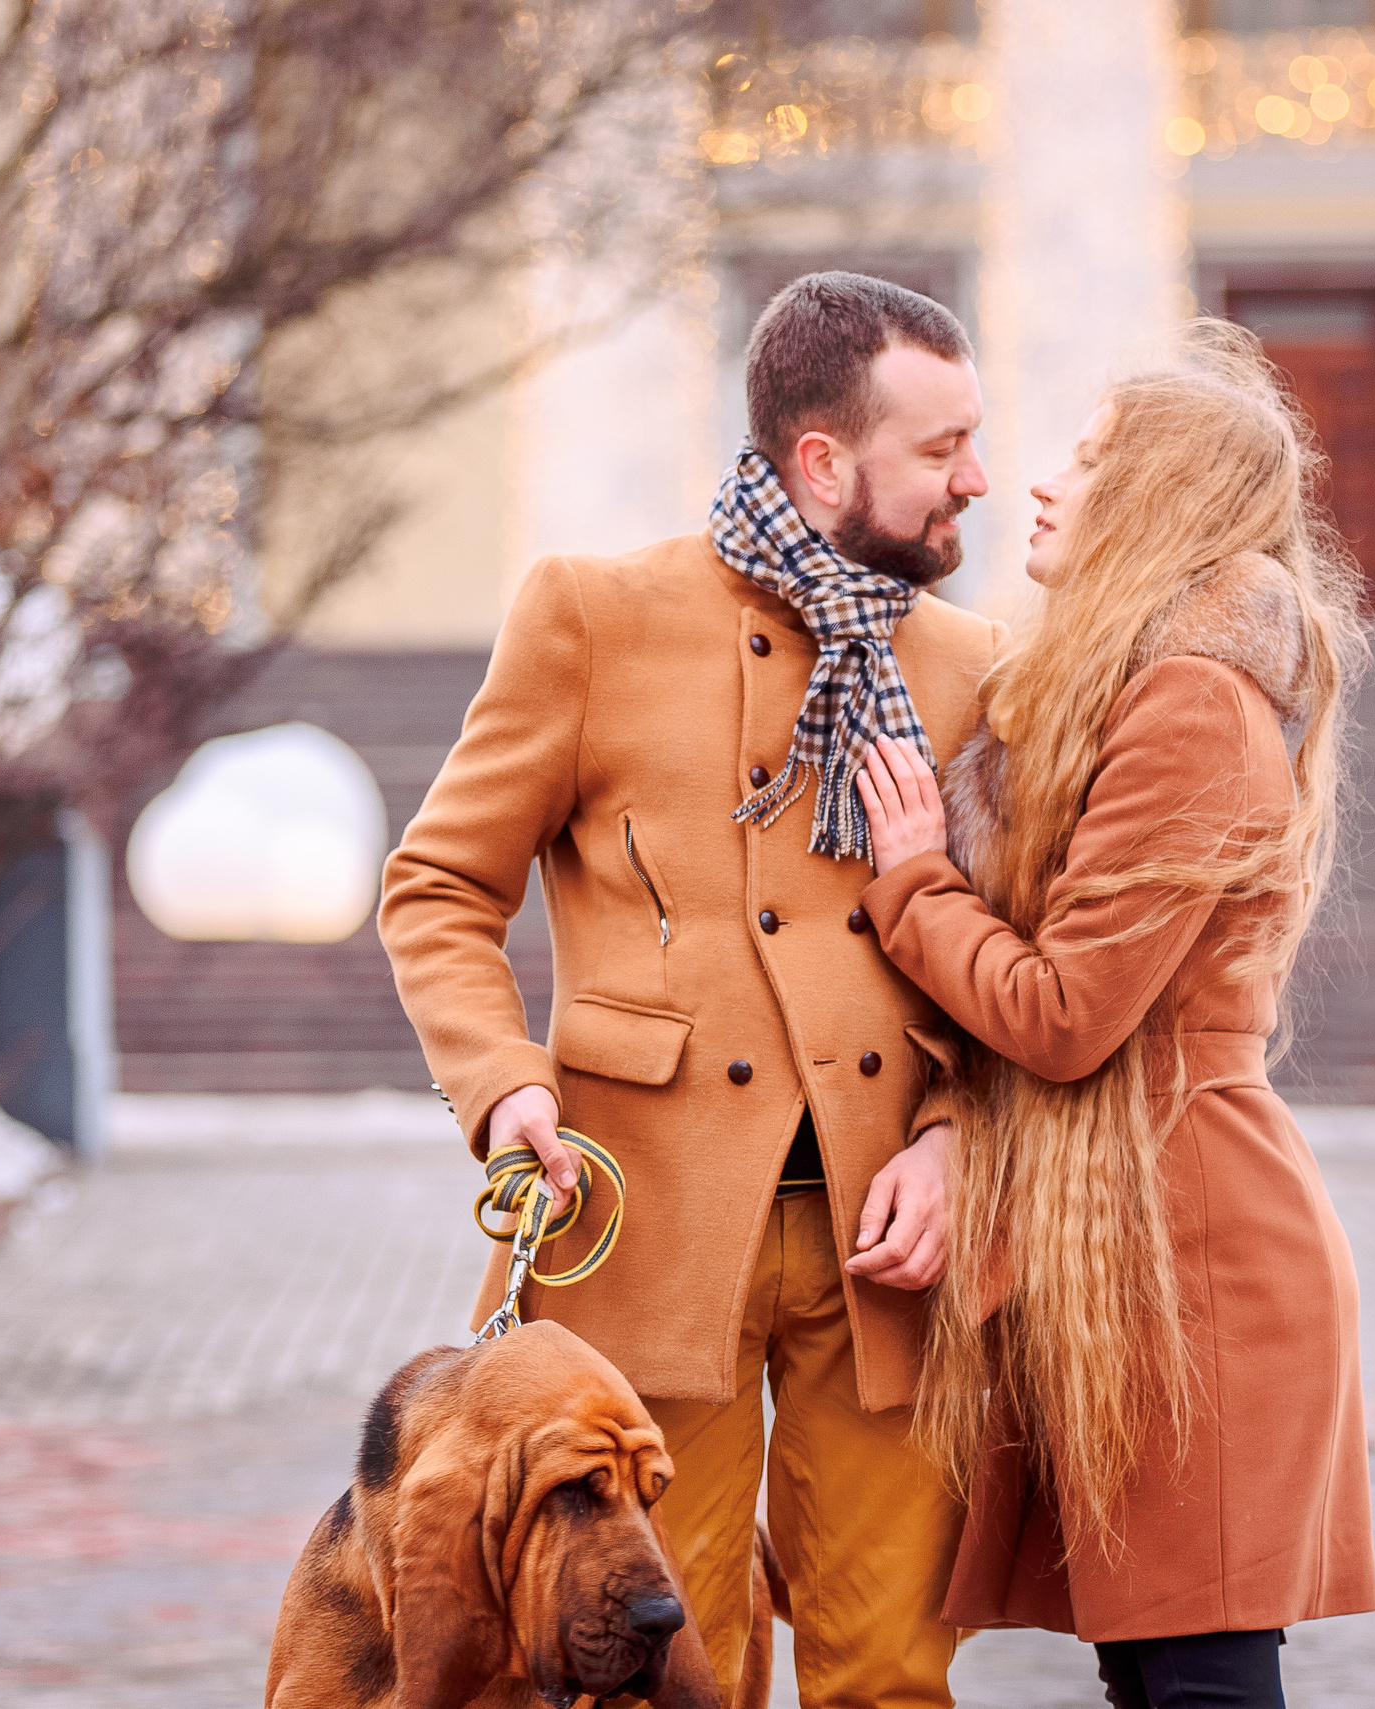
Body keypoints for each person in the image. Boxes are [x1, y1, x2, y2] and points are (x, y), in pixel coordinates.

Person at [380, 272, 1007, 1709]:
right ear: (822, 460)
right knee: (660, 1664)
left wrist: (962, 1134)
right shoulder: (593, 618)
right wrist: (504, 1084)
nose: (978, 478)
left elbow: (1004, 956)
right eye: (941, 447)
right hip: (639, 1222)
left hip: (886, 1253)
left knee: (894, 1672)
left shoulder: (976, 667)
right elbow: (438, 886)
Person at [853, 321, 1375, 1709]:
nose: (1040, 484)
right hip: (1131, 1227)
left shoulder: (1196, 706)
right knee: (1156, 1672)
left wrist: (914, 879)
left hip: (1196, 1248)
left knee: (1195, 1676)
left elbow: (1070, 1010)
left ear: (1158, 503)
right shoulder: (1127, 691)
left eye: (1088, 466)